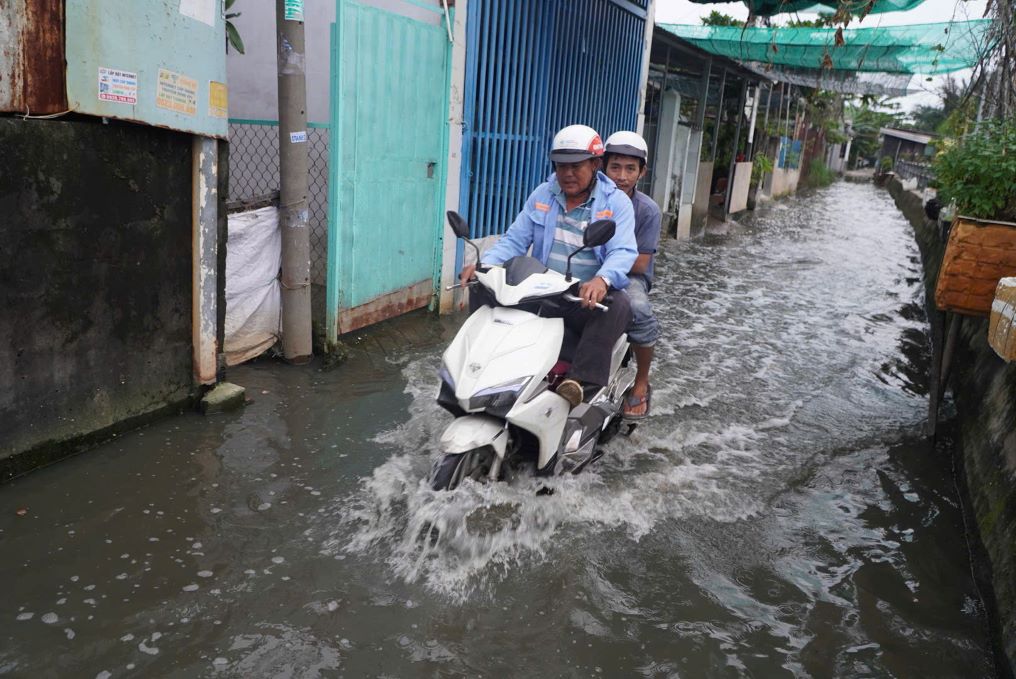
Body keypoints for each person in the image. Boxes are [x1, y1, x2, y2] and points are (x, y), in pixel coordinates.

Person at [459, 124, 637, 407]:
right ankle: (476, 366)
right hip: (541, 287)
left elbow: (624, 251)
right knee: (483, 286)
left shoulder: (616, 203)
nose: (567, 173)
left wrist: (602, 280)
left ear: (595, 164)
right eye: (561, 166)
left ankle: (578, 383)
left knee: (620, 305)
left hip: (584, 296)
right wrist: (484, 264)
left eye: (576, 165)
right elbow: (514, 239)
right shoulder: (543, 194)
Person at [602, 131, 661, 419]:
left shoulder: (647, 210)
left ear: (642, 172)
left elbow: (639, 264)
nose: (621, 176)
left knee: (639, 309)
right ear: (603, 167)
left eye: (630, 169)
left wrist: (605, 269)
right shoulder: (591, 200)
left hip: (629, 277)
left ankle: (641, 380)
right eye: (615, 167)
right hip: (588, 269)